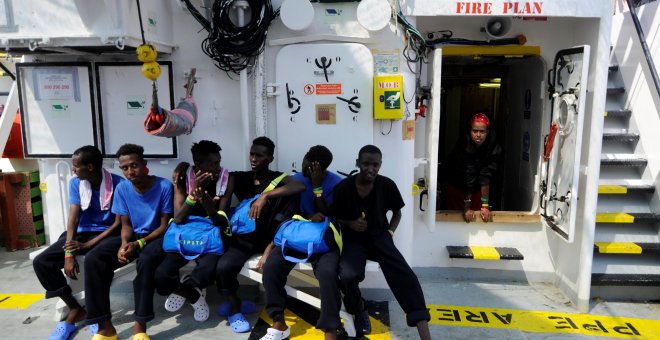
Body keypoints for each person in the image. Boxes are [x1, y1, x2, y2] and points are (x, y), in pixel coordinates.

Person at [332, 145, 431, 339]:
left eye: (375, 164)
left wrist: (390, 232)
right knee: (348, 276)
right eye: (366, 163)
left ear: (381, 165)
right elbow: (334, 218)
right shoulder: (343, 188)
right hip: (354, 240)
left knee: (405, 274)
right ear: (358, 163)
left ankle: (424, 332)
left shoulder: (387, 185)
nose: (371, 168)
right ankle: (358, 307)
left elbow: (397, 212)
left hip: (380, 236)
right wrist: (351, 224)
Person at [33, 145, 123, 340]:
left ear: (90, 167)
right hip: (83, 233)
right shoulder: (76, 183)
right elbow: (73, 219)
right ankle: (75, 308)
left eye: (76, 166)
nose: (73, 170)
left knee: (94, 261)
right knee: (41, 262)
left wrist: (88, 246)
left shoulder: (118, 184)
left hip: (108, 235)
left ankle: (96, 315)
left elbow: (117, 224)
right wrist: (69, 253)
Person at [215, 136, 304, 334]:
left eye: (260, 155)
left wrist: (265, 196)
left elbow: (299, 186)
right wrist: (183, 167)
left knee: (273, 270)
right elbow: (217, 175)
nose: (254, 159)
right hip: (245, 239)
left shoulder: (278, 178)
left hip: (271, 239)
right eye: (252, 154)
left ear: (270, 158)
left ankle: (278, 319)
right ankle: (235, 306)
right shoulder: (239, 177)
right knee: (224, 267)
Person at [260, 145, 343, 340]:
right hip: (297, 238)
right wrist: (270, 247)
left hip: (323, 241)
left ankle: (330, 329)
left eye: (315, 167)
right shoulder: (295, 180)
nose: (308, 168)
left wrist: (317, 187)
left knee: (328, 273)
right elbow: (284, 217)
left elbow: (334, 215)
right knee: (272, 267)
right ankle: (279, 322)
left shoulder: (336, 184)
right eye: (307, 162)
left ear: (324, 169)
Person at [93, 144, 173, 340]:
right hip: (134, 237)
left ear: (144, 164)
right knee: (94, 258)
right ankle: (105, 326)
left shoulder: (164, 186)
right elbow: (125, 225)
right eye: (125, 168)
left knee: (146, 260)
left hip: (156, 237)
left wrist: (139, 244)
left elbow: (163, 226)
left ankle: (140, 325)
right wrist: (123, 244)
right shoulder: (122, 188)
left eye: (134, 165)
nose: (130, 171)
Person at [156, 140, 233, 322]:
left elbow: (220, 220)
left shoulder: (226, 178)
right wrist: (192, 196)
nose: (217, 167)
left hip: (210, 236)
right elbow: (179, 218)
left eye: (218, 162)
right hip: (184, 235)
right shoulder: (183, 177)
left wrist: (207, 204)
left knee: (207, 272)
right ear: (197, 165)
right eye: (212, 163)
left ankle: (190, 286)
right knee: (161, 276)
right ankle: (194, 296)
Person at [446, 113, 502, 223]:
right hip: (456, 186)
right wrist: (466, 205)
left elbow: (486, 175)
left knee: (477, 218)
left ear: (487, 132)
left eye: (482, 132)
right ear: (470, 131)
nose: (478, 135)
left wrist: (485, 206)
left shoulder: (494, 147)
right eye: (475, 131)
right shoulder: (463, 146)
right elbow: (469, 175)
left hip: (477, 190)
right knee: (456, 220)